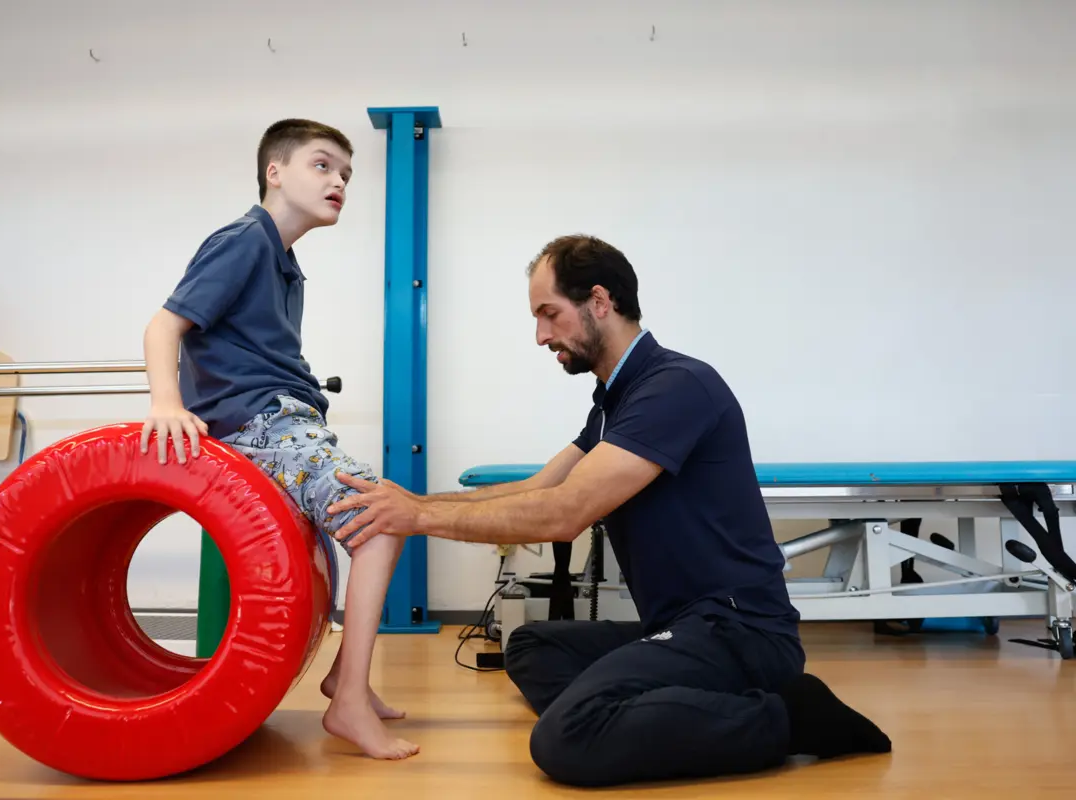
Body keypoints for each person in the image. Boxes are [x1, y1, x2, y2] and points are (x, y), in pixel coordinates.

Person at [324, 234, 893, 786]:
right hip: (676, 627)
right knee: (531, 646)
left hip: (738, 631)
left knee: (564, 740)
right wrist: (412, 502)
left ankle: (786, 719)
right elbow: (538, 487)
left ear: (599, 301)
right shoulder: (612, 405)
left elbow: (562, 513)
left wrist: (418, 520)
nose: (541, 336)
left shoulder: (675, 386)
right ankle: (664, 707)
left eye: (550, 314)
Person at [138, 118, 419, 761]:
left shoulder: (285, 263)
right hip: (261, 424)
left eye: (347, 173)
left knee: (382, 513)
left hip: (288, 418)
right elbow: (162, 326)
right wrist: (167, 404)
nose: (340, 181)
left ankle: (347, 678)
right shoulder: (244, 240)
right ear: (275, 171)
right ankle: (348, 699)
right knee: (381, 517)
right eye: (323, 165)